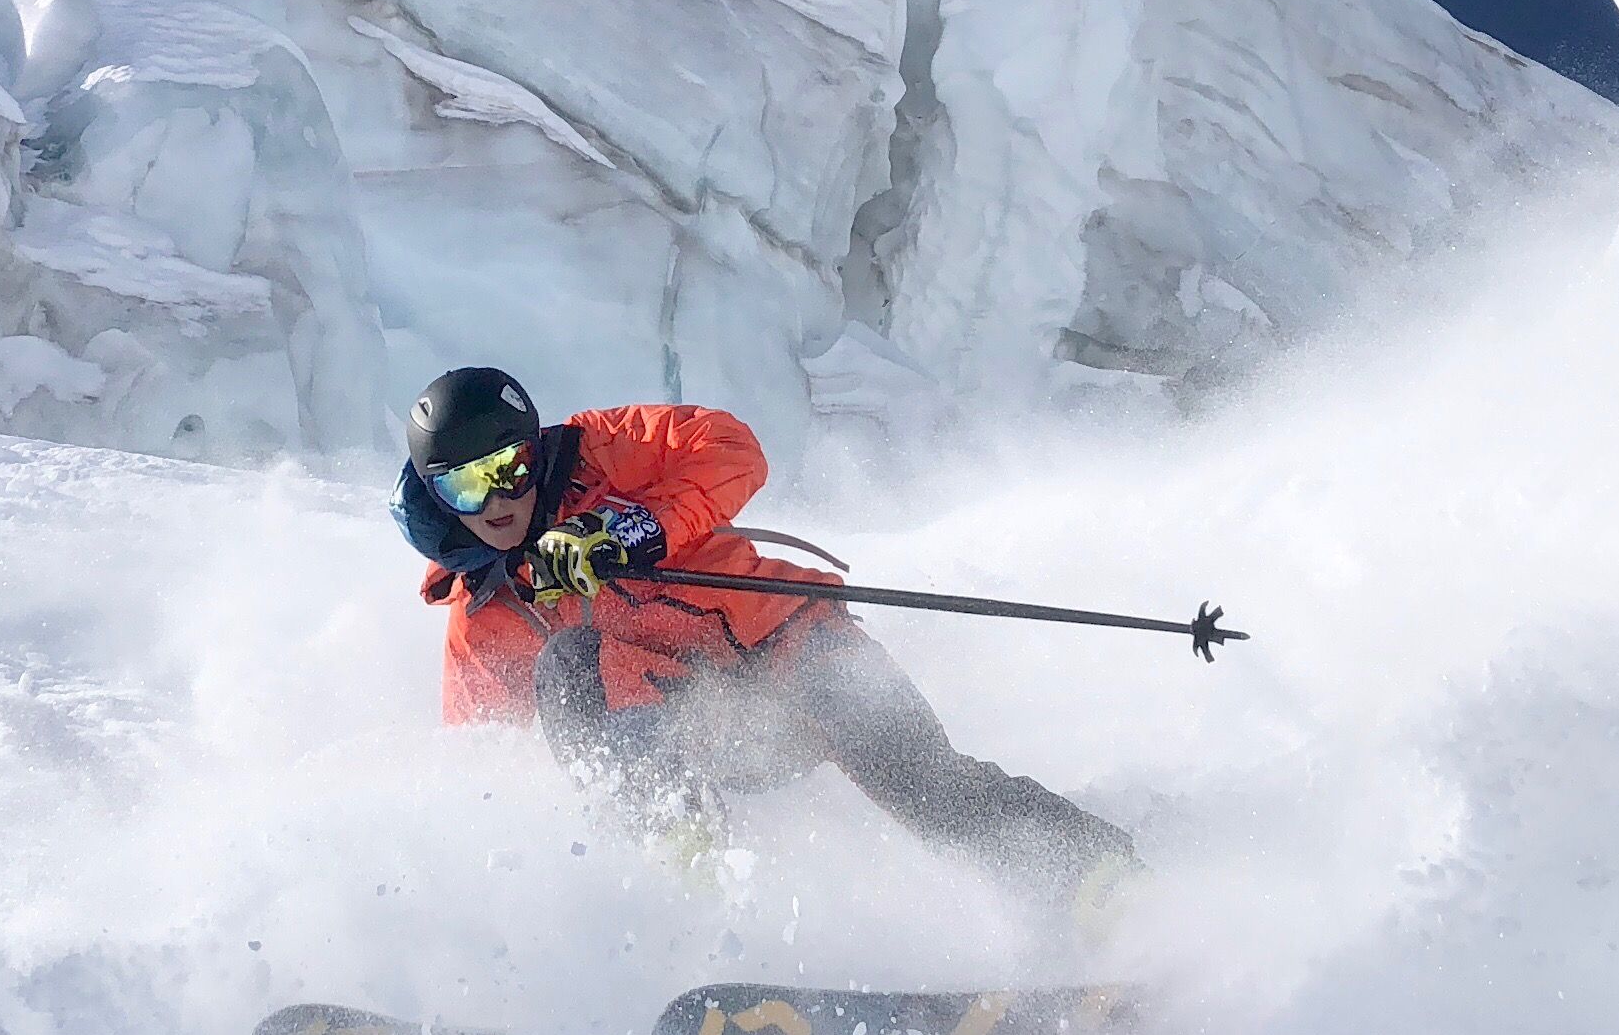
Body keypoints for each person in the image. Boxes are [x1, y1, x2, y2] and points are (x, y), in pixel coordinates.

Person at [391, 364, 1137, 915]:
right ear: (436, 496)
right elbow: (485, 765)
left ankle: (1100, 889)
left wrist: (628, 528)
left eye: (512, 469)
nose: (498, 499)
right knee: (566, 668)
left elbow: (731, 449)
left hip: (798, 653)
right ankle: (690, 892)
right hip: (708, 730)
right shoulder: (483, 616)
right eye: (467, 486)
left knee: (917, 776)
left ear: (536, 452)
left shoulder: (602, 453)